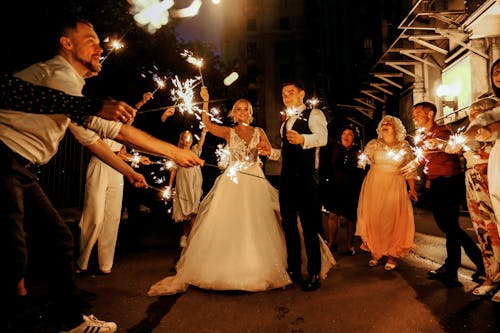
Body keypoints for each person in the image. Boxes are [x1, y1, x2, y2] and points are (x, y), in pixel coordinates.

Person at [0, 17, 202, 333]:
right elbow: (113, 130)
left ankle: (69, 321)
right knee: (12, 256)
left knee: (57, 238)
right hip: (4, 161)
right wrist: (174, 152)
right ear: (66, 43)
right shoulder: (55, 75)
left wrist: (130, 170)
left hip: (20, 170)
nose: (100, 47)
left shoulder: (69, 86)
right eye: (90, 39)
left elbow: (96, 139)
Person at [148, 87, 334, 296]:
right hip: (234, 181)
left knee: (276, 223)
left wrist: (273, 150)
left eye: (246, 109)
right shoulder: (231, 131)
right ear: (234, 113)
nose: (243, 112)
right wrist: (206, 102)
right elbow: (208, 125)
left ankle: (310, 272)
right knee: (279, 224)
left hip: (262, 181)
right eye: (239, 109)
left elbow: (278, 152)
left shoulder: (263, 130)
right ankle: (281, 269)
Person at [401, 101, 485, 287]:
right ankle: (455, 266)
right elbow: (423, 156)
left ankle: (471, 265)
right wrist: (411, 166)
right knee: (447, 226)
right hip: (437, 184)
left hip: (448, 183)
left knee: (450, 226)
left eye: (417, 113)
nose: (414, 117)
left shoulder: (443, 131)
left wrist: (436, 146)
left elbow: (445, 146)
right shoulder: (425, 136)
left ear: (430, 114)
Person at [260, 81, 329, 291]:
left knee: (309, 227)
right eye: (283, 94)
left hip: (307, 180)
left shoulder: (314, 114)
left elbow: (322, 138)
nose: (286, 96)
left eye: (290, 92)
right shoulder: (285, 122)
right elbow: (286, 154)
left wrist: (302, 138)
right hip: (287, 181)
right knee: (288, 225)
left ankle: (315, 272)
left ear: (301, 94)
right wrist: (270, 152)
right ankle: (294, 270)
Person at [76, 92, 154, 275]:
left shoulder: (121, 129)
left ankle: (105, 263)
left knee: (113, 217)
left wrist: (138, 159)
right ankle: (82, 261)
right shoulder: (98, 125)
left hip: (116, 171)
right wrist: (140, 101)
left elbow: (122, 153)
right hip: (98, 167)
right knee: (94, 216)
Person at [447, 97, 500, 300]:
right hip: (472, 180)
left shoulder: (492, 129)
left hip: (490, 176)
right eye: (470, 114)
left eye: (475, 113)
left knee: (495, 225)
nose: (471, 118)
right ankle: (492, 274)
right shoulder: (470, 133)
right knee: (481, 227)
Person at [356, 115, 418, 270]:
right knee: (374, 218)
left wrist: (412, 189)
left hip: (394, 185)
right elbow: (365, 159)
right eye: (382, 123)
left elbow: (410, 169)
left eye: (389, 123)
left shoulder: (404, 146)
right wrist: (362, 161)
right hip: (374, 185)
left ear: (395, 127)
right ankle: (375, 252)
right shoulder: (373, 144)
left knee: (392, 220)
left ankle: (391, 255)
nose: (385, 125)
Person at [320, 124, 365, 255]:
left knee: (351, 218)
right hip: (335, 187)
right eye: (344, 134)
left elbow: (361, 171)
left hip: (351, 188)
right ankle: (332, 242)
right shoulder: (334, 149)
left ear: (354, 138)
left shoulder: (358, 152)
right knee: (333, 215)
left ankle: (350, 245)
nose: (346, 136)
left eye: (350, 134)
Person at [169, 127, 207, 248]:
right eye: (186, 137)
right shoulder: (177, 153)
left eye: (190, 137)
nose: (189, 139)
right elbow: (173, 170)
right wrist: (170, 186)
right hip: (183, 183)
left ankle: (191, 239)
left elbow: (200, 143)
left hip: (195, 183)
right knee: (187, 212)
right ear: (182, 140)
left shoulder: (195, 151)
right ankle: (185, 236)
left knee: (194, 211)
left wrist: (204, 133)